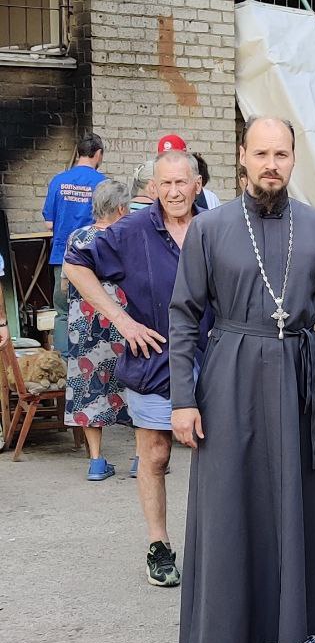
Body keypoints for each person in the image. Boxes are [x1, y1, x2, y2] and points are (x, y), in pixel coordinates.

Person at [168, 116, 315, 643]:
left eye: (282, 154)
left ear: (293, 160)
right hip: (230, 377)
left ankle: (304, 634)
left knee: (303, 501)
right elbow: (184, 317)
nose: (272, 164)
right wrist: (183, 398)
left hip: (303, 376)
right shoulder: (210, 228)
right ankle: (230, 637)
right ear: (242, 157)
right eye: (262, 153)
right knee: (232, 501)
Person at [62, 150, 209, 587]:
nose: (174, 191)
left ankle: (220, 549)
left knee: (220, 459)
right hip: (156, 359)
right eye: (165, 184)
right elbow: (74, 262)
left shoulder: (217, 228)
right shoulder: (131, 231)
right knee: (157, 454)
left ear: (197, 184)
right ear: (153, 189)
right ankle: (159, 546)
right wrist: (122, 320)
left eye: (182, 182)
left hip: (216, 358)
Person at [62, 179, 133, 480]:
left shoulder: (77, 237)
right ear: (120, 208)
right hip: (122, 322)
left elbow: (67, 283)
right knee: (135, 383)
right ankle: (142, 459)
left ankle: (96, 461)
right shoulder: (128, 237)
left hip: (85, 327)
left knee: (90, 386)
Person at [43, 133, 107, 356]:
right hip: (92, 260)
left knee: (62, 312)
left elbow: (49, 223)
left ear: (79, 152)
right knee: (94, 308)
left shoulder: (58, 181)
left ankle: (62, 364)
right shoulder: (102, 184)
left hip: (62, 257)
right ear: (98, 154)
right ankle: (89, 359)